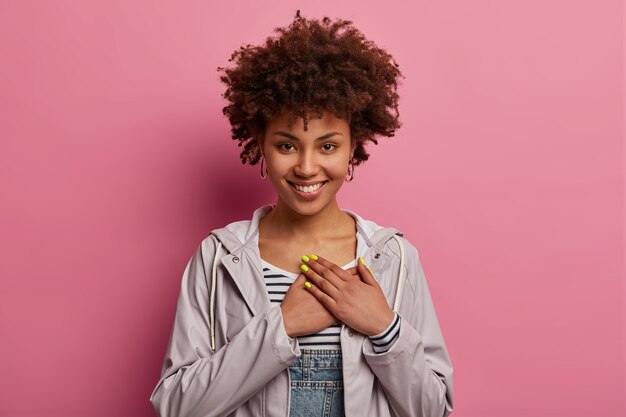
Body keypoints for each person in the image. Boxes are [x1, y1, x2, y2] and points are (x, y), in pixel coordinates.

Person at [149, 10, 454, 417]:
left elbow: (433, 408)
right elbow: (176, 406)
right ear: (260, 145)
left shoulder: (394, 259)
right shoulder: (219, 258)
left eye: (327, 146)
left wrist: (384, 327)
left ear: (353, 148)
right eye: (287, 145)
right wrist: (281, 327)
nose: (307, 168)